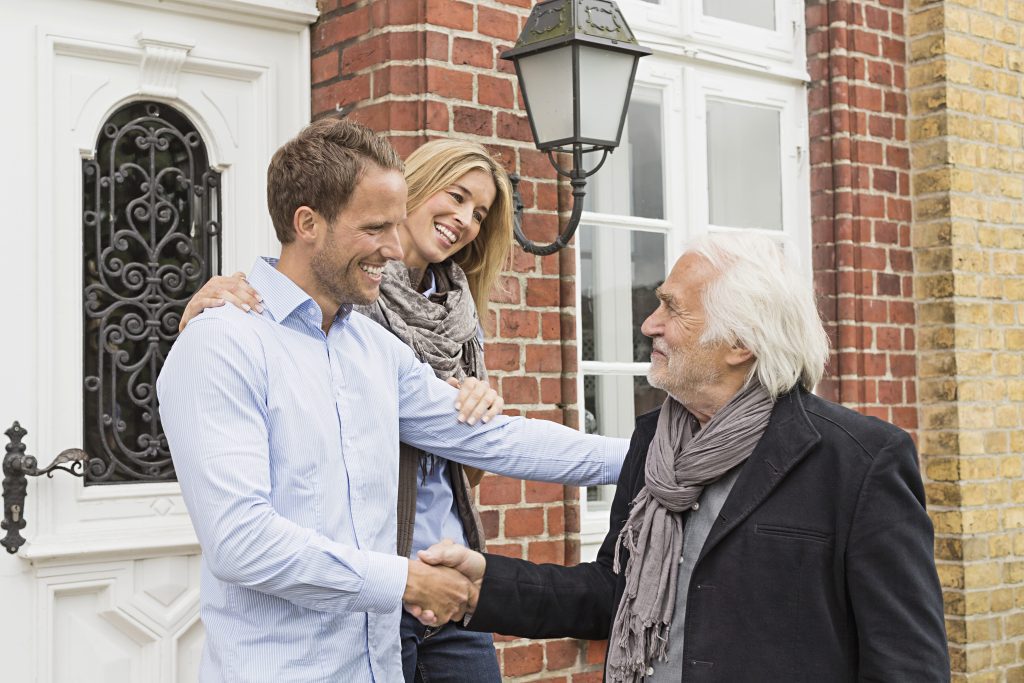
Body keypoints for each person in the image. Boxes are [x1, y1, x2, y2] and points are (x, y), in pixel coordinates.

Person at [157, 117, 628, 683]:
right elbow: (240, 542)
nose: (393, 245)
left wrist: (647, 454)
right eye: (376, 227)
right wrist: (406, 580)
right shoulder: (223, 341)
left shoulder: (374, 349)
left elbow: (491, 439)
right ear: (308, 222)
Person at [418, 232, 950, 682]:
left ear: (739, 342)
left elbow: (907, 660)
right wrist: (480, 586)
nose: (649, 324)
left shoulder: (858, 461)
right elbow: (612, 592)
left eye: (672, 308)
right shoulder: (655, 442)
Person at [179, 138, 514, 683]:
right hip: (373, 578)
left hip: (445, 569)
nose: (466, 221)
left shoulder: (460, 317)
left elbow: (468, 468)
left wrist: (479, 413)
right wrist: (205, 311)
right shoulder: (345, 296)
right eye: (456, 197)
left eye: (480, 214)